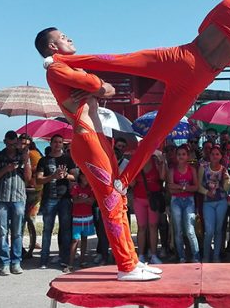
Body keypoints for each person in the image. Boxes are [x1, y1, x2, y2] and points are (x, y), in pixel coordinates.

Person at [42, 0, 230, 196]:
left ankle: (58, 59)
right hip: (199, 78)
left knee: (121, 60)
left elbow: (202, 27)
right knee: (157, 134)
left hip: (182, 56)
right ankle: (123, 182)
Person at [36, 31, 160, 281]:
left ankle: (132, 261)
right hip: (87, 140)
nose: (69, 38)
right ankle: (125, 266)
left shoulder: (72, 68)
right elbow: (96, 86)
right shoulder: (56, 69)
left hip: (100, 138)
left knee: (119, 198)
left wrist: (98, 87)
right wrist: (97, 87)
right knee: (111, 202)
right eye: (63, 37)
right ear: (52, 45)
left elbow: (109, 90)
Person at [0, 131, 32, 276]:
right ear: (4, 141)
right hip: (1, 197)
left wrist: (26, 161)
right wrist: (6, 169)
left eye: (15, 144)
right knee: (2, 232)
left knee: (17, 232)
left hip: (18, 197)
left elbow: (29, 178)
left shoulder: (23, 155)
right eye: (10, 143)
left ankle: (16, 261)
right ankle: (4, 262)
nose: (12, 147)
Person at [35, 134, 76, 269]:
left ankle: (64, 259)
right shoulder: (44, 160)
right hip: (49, 198)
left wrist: (66, 176)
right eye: (55, 142)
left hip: (64, 199)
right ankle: (43, 260)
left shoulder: (68, 159)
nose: (58, 144)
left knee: (65, 230)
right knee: (47, 230)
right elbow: (38, 180)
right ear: (51, 144)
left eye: (60, 142)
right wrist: (52, 176)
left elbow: (74, 177)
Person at [131, 151, 166, 264]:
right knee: (141, 227)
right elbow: (131, 183)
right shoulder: (136, 163)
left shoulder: (156, 162)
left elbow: (162, 177)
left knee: (153, 226)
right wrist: (132, 169)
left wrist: (162, 163)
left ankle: (154, 255)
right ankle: (141, 255)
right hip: (139, 199)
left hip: (153, 199)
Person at [167, 144, 200, 263]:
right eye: (179, 154)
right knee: (178, 231)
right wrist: (186, 187)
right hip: (176, 200)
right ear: (176, 156)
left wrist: (180, 187)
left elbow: (195, 187)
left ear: (187, 156)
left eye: (183, 154)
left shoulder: (192, 169)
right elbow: (170, 188)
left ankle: (196, 256)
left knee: (190, 230)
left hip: (189, 200)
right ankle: (181, 256)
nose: (181, 156)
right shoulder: (172, 170)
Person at [198, 146, 230, 263]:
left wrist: (227, 179)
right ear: (209, 155)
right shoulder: (203, 168)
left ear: (221, 156)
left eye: (217, 154)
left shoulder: (224, 169)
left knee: (218, 230)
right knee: (209, 231)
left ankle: (216, 256)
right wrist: (206, 192)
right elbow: (198, 186)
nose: (215, 156)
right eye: (213, 154)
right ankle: (206, 255)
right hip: (208, 203)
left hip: (221, 201)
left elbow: (227, 188)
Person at [70, 172, 95, 269]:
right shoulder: (76, 187)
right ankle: (70, 264)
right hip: (77, 217)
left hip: (88, 216)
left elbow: (92, 202)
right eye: (85, 176)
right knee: (75, 239)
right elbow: (75, 201)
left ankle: (82, 261)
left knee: (84, 238)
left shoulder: (91, 188)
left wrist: (81, 199)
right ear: (81, 176)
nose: (87, 178)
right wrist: (86, 200)